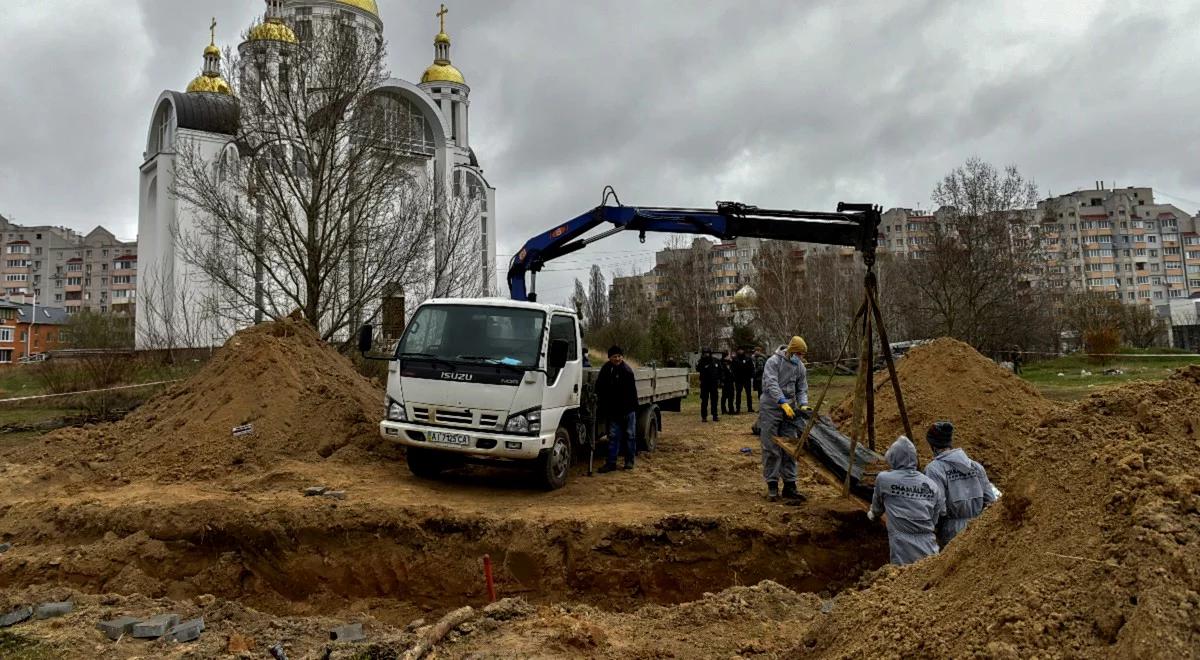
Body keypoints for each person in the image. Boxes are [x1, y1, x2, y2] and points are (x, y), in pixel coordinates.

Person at [868, 436, 946, 566]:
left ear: (893, 458)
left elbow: (877, 509)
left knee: (903, 580)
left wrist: (872, 515)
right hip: (929, 545)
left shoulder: (884, 479)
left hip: (902, 546)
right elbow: (935, 517)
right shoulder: (931, 485)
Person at [923, 421, 996, 547]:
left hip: (952, 531)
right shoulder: (976, 467)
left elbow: (938, 507)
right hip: (978, 528)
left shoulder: (934, 469)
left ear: (933, 446)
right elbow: (991, 501)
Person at [757, 336, 811, 502]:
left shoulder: (799, 366)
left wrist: (803, 404)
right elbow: (771, 384)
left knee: (790, 447)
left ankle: (790, 485)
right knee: (771, 447)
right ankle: (772, 485)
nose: (801, 357)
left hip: (791, 412)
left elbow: (802, 388)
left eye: (802, 355)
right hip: (771, 408)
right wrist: (782, 402)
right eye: (799, 354)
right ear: (792, 351)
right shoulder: (773, 362)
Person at [596, 345, 639, 473]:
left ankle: (629, 462)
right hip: (614, 411)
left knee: (630, 436)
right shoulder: (606, 370)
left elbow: (632, 393)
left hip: (628, 410)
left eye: (619, 356)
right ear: (609, 358)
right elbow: (600, 387)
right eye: (614, 356)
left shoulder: (627, 371)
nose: (617, 359)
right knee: (613, 437)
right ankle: (611, 463)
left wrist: (630, 410)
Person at [697, 349, 722, 422]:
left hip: (713, 384)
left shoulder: (716, 360)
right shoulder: (701, 361)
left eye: (707, 353)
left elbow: (720, 371)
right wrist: (703, 362)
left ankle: (715, 415)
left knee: (714, 400)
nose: (706, 355)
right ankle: (704, 416)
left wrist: (720, 380)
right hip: (705, 384)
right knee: (704, 401)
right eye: (705, 353)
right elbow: (698, 369)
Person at [732, 348, 755, 414]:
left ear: (743, 351)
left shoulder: (748, 359)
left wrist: (752, 375)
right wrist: (734, 377)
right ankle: (738, 409)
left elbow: (752, 368)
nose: (740, 351)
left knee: (748, 394)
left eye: (741, 350)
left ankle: (750, 408)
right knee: (738, 394)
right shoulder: (735, 359)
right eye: (739, 350)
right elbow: (732, 369)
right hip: (738, 380)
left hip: (747, 379)